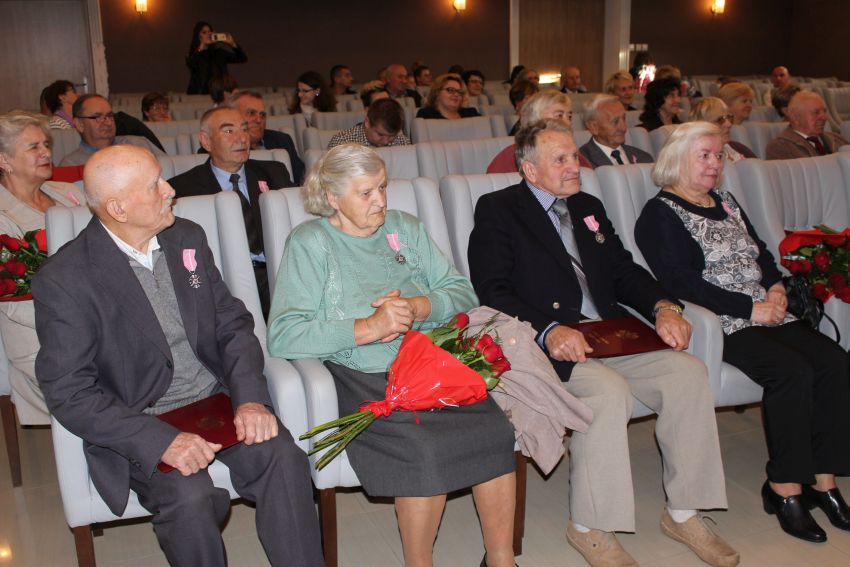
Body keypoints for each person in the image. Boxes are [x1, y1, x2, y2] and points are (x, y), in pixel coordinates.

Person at [33, 145, 323, 567]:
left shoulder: (185, 236)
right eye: (154, 185)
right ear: (117, 208)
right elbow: (68, 391)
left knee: (284, 458)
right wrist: (158, 441)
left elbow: (231, 324)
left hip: (215, 403)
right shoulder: (66, 279)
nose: (170, 190)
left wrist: (250, 399)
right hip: (141, 417)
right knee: (190, 497)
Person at [470, 119, 737, 567]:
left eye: (574, 156)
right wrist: (548, 330)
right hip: (545, 343)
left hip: (608, 334)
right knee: (606, 393)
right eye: (560, 159)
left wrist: (663, 306)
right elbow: (492, 290)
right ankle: (590, 527)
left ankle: (685, 512)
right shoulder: (499, 209)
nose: (574, 166)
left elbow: (622, 270)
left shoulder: (587, 205)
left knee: (689, 374)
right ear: (530, 170)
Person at [267, 143, 517, 567]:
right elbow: (284, 335)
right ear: (332, 198)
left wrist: (419, 307)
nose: (381, 200)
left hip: (431, 365)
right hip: (364, 376)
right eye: (366, 192)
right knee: (425, 449)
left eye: (383, 187)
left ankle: (500, 559)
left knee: (495, 431)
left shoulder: (405, 227)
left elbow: (463, 293)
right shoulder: (310, 243)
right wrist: (370, 327)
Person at [635, 121, 850, 544]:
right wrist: (751, 308)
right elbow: (681, 283)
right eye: (704, 155)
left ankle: (823, 480)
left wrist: (775, 287)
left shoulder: (726, 201)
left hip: (768, 310)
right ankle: (784, 487)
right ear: (677, 159)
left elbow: (761, 253)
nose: (715, 164)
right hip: (723, 322)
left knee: (835, 362)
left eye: (719, 156)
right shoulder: (659, 214)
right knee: (791, 371)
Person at [0, 111, 86, 426]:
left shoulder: (67, 193)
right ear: (4, 160)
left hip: (95, 316)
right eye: (33, 147)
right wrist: (81, 319)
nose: (46, 153)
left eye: (46, 144)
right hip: (42, 337)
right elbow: (12, 302)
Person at [168, 107, 293, 319]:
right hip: (221, 281)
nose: (242, 138)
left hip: (277, 273)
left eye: (244, 129)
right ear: (206, 141)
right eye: (228, 131)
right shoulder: (182, 188)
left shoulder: (274, 173)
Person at [487, 91, 592, 173]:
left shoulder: (576, 157)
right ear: (535, 120)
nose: (567, 122)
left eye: (569, 116)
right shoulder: (510, 158)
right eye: (559, 116)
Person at [60, 94, 164, 166]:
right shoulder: (70, 165)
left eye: (110, 116)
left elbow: (167, 172)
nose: (108, 122)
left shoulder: (138, 144)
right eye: (98, 117)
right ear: (79, 124)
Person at [229, 91, 305, 184]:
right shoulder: (229, 148)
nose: (259, 120)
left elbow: (302, 180)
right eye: (251, 113)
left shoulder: (282, 140)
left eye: (262, 115)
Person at [765, 91, 850, 160]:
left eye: (824, 111)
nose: (824, 117)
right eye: (816, 112)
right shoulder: (780, 147)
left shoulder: (836, 138)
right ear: (795, 118)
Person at [580, 95, 653, 168]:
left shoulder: (644, 158)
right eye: (615, 122)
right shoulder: (582, 162)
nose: (624, 128)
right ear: (594, 127)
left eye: (624, 119)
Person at [185, 21, 247, 95]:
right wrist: (202, 45)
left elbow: (242, 58)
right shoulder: (193, 55)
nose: (208, 34)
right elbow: (192, 64)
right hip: (199, 95)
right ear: (198, 36)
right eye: (204, 32)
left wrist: (232, 44)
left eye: (209, 31)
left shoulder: (219, 53)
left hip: (220, 94)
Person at [689, 98, 756, 162]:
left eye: (729, 118)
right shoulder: (700, 159)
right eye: (719, 120)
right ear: (701, 127)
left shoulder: (738, 147)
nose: (729, 124)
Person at [327, 98, 409, 149]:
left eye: (392, 136)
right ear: (367, 123)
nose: (386, 142)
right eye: (380, 135)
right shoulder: (341, 144)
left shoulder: (402, 142)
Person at [416, 74, 481, 120]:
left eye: (459, 91)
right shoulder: (426, 115)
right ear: (437, 93)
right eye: (450, 90)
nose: (456, 94)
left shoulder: (471, 114)